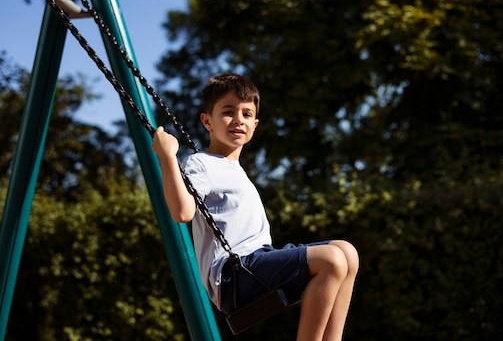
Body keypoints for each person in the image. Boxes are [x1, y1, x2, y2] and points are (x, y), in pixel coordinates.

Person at [151, 73, 358, 341]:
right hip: (233, 275)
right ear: (207, 121)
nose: (239, 120)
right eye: (228, 112)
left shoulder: (233, 167)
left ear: (255, 124)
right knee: (331, 259)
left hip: (258, 261)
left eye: (247, 114)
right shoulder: (201, 163)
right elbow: (182, 212)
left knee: (346, 252)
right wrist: (168, 157)